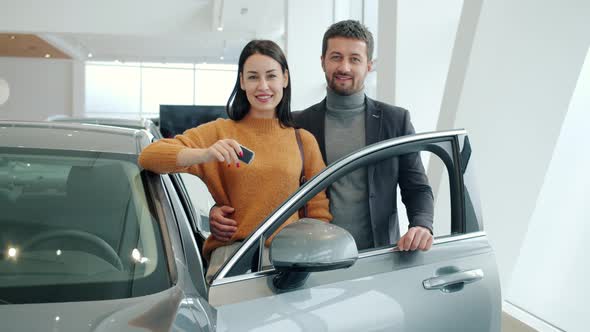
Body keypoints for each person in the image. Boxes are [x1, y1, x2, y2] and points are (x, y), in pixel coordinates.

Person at [209, 20, 434, 252]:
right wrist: (219, 209)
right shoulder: (296, 125)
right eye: (336, 57)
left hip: (378, 257)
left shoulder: (395, 121)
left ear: (369, 65)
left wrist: (422, 225)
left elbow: (416, 187)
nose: (344, 67)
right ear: (323, 62)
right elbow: (261, 179)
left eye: (354, 59)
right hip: (310, 258)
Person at [139, 40, 331, 281]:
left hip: (289, 263)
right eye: (253, 77)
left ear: (285, 78)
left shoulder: (303, 141)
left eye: (271, 76)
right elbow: (150, 156)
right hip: (232, 261)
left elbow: (319, 213)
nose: (263, 86)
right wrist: (206, 153)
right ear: (242, 82)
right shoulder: (220, 132)